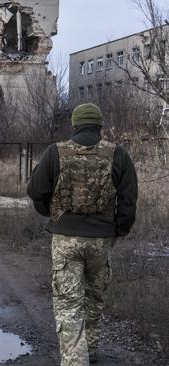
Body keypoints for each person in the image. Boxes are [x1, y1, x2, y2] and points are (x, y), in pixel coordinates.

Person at [27, 103, 137, 365]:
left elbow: (36, 190)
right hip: (101, 240)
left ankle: (76, 360)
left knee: (68, 303)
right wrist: (118, 230)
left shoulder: (56, 152)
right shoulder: (118, 154)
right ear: (99, 126)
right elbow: (128, 199)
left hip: (65, 239)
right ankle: (91, 351)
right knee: (94, 299)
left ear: (75, 125)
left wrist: (53, 216)